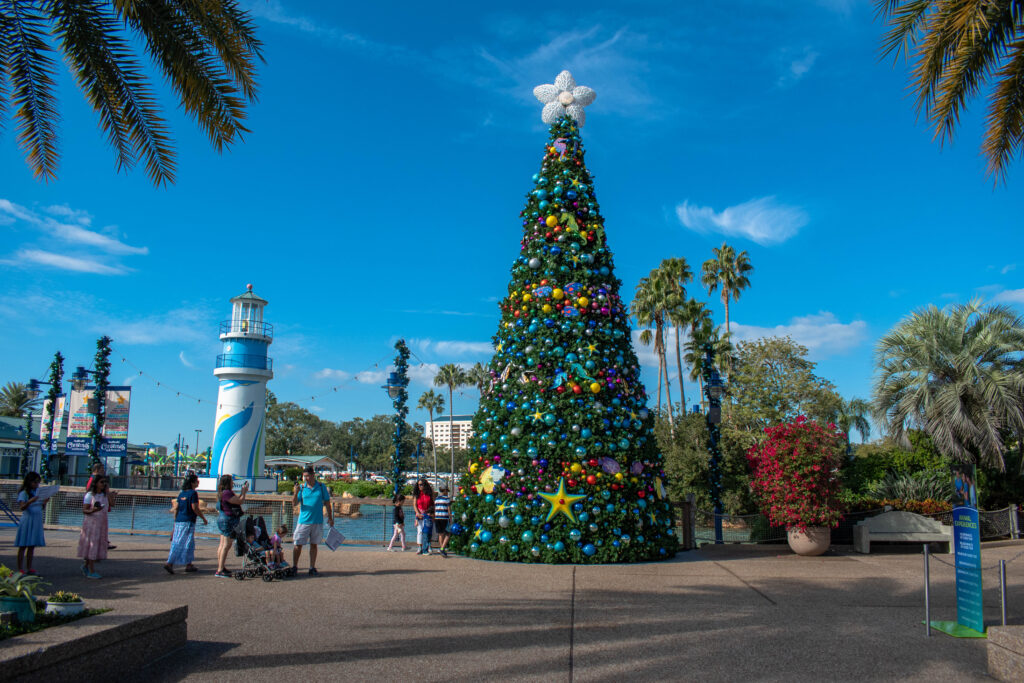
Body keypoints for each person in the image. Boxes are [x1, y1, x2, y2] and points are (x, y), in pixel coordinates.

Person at [291, 466, 333, 576]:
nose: (306, 478)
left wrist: (330, 517)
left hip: (317, 521)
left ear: (313, 475)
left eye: (308, 476)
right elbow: (294, 503)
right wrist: (295, 493)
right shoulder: (302, 488)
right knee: (298, 544)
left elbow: (327, 502)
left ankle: (312, 567)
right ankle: (295, 566)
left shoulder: (321, 486)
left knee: (314, 545)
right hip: (304, 521)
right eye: (304, 476)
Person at [164, 472, 208, 574]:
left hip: (180, 520)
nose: (198, 482)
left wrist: (175, 521)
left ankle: (189, 564)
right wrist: (203, 518)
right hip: (188, 521)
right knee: (183, 542)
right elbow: (195, 507)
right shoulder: (193, 493)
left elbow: (177, 508)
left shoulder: (182, 493)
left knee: (184, 541)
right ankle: (169, 562)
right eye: (196, 481)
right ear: (192, 483)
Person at [214, 474, 248, 578]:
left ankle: (221, 566)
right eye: (231, 481)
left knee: (222, 544)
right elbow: (240, 501)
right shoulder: (227, 493)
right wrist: (244, 492)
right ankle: (220, 569)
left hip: (222, 518)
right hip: (228, 519)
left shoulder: (221, 493)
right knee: (226, 545)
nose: (233, 483)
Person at [78, 475, 112, 579]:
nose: (103, 484)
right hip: (92, 523)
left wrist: (111, 495)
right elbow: (85, 510)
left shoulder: (104, 495)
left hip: (102, 523)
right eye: (101, 482)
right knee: (92, 545)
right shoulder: (90, 495)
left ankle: (86, 566)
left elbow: (112, 504)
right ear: (96, 483)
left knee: (97, 545)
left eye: (105, 483)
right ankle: (91, 570)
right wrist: (93, 510)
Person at [15, 471, 47, 574]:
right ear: (29, 482)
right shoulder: (24, 493)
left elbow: (41, 507)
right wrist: (30, 501)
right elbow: (22, 507)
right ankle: (20, 568)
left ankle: (29, 567)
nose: (37, 485)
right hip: (28, 520)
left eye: (38, 483)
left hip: (36, 519)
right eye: (35, 482)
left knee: (31, 545)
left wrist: (44, 503)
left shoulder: (37, 492)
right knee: (23, 545)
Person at [85, 462, 117, 550]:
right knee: (95, 527)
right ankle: (97, 544)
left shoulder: (98, 483)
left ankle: (103, 542)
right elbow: (89, 491)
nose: (103, 471)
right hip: (95, 508)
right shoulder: (93, 480)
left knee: (102, 526)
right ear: (96, 470)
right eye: (102, 469)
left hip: (102, 507)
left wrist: (109, 494)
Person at [414, 478, 434, 556]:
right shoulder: (417, 494)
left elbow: (432, 504)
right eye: (419, 485)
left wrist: (432, 514)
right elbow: (415, 505)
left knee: (428, 531)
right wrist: (417, 513)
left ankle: (428, 545)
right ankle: (420, 546)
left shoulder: (429, 494)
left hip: (428, 515)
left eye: (421, 484)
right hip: (419, 515)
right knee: (420, 531)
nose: (420, 486)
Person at [434, 483, 452, 558]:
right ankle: (442, 548)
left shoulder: (436, 499)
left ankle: (441, 548)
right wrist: (450, 518)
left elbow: (435, 508)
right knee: (448, 534)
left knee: (440, 534)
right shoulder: (447, 499)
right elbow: (449, 510)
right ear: (444, 491)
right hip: (444, 517)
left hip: (437, 517)